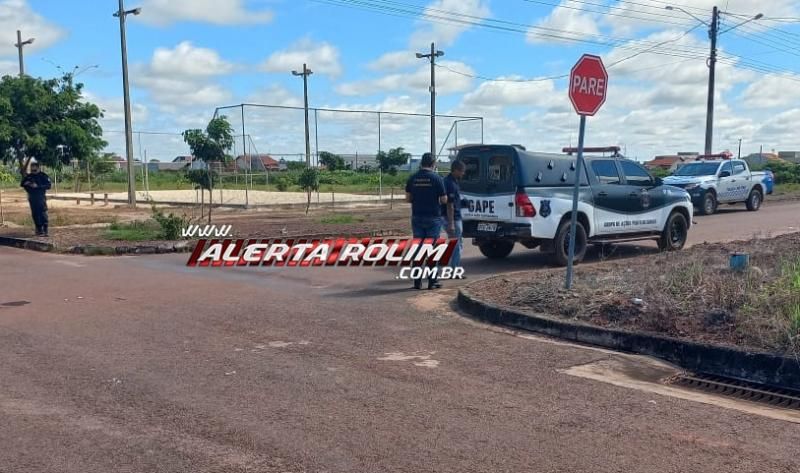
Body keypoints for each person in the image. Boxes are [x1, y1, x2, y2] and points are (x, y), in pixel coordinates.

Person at [405, 152, 447, 290]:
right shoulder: (437, 178)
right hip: (433, 218)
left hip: (417, 217)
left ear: (421, 163)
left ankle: (417, 282)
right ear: (433, 164)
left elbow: (408, 199)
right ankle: (432, 282)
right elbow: (443, 199)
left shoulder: (413, 178)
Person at [442, 159, 466, 273]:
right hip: (453, 218)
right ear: (456, 170)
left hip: (450, 217)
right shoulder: (450, 183)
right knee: (457, 244)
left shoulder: (450, 181)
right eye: (462, 171)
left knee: (454, 243)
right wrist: (451, 223)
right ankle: (454, 270)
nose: (463, 173)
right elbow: (450, 205)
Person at [20, 158, 52, 237]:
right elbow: (22, 183)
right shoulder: (29, 176)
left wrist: (38, 186)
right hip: (32, 197)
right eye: (32, 169)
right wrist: (27, 183)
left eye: (34, 169)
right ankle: (39, 229)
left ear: (38, 168)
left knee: (43, 212)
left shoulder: (43, 176)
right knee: (35, 213)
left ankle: (45, 230)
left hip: (40, 196)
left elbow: (48, 186)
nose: (33, 171)